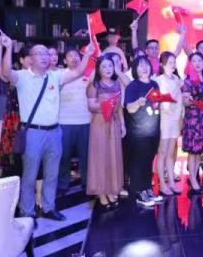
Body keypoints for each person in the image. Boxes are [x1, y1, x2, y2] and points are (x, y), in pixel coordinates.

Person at [0, 36, 95, 221]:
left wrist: (88, 54)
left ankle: (49, 207)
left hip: (54, 132)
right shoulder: (22, 77)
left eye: (46, 53)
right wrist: (8, 48)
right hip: (33, 133)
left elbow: (78, 72)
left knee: (52, 173)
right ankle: (27, 212)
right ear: (30, 58)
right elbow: (5, 71)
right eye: (39, 53)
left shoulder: (55, 76)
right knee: (30, 175)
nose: (45, 57)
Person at [124, 56, 164, 207]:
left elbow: (156, 104)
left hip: (153, 130)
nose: (144, 68)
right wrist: (137, 103)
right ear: (135, 69)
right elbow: (129, 108)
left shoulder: (154, 84)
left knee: (148, 162)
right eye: (140, 66)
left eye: (146, 65)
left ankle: (147, 189)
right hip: (138, 132)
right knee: (138, 163)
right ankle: (139, 193)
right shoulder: (133, 86)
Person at [86, 55, 125, 208]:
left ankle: (110, 189)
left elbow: (119, 107)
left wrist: (122, 124)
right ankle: (101, 192)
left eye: (110, 66)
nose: (108, 69)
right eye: (104, 66)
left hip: (114, 122)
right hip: (99, 123)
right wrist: (106, 104)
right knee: (100, 157)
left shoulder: (117, 83)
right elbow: (91, 106)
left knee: (112, 157)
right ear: (98, 69)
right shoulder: (94, 85)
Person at [0, 38, 30, 177]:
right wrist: (0, 46)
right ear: (21, 60)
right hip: (14, 119)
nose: (33, 60)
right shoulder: (15, 75)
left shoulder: (40, 76)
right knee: (13, 155)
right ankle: (12, 181)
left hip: (31, 120)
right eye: (29, 57)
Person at [58, 49, 92, 194]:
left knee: (86, 155)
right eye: (70, 56)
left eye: (77, 56)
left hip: (85, 120)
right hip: (64, 121)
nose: (74, 58)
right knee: (64, 155)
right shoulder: (60, 75)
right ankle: (63, 183)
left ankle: (87, 182)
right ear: (65, 60)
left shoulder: (88, 74)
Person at [182, 52, 203, 195]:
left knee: (199, 150)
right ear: (190, 64)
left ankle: (194, 177)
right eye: (194, 61)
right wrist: (188, 100)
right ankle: (193, 179)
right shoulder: (188, 81)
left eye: (199, 60)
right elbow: (185, 101)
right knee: (192, 151)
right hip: (193, 118)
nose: (197, 63)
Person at [154, 51, 184, 196]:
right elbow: (157, 100)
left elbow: (180, 100)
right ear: (162, 64)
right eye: (169, 62)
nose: (173, 65)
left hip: (175, 118)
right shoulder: (158, 80)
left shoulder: (177, 79)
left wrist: (181, 116)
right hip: (164, 119)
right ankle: (162, 183)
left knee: (171, 153)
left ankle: (171, 181)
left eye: (174, 62)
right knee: (162, 152)